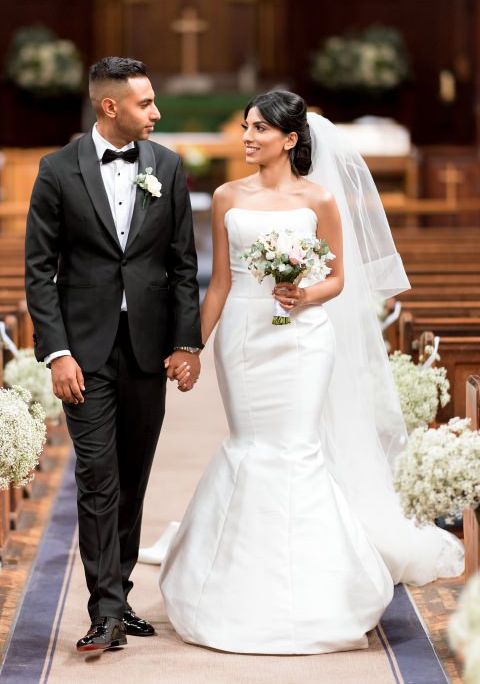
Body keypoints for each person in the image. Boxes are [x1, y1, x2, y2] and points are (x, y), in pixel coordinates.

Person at [158, 90, 464, 654]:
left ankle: (321, 590)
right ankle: (231, 582)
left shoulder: (320, 199)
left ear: (291, 139)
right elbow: (220, 283)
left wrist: (304, 293)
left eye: (260, 130)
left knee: (296, 447)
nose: (247, 137)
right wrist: (192, 347)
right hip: (244, 340)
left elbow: (339, 280)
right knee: (251, 442)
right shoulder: (227, 195)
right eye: (246, 127)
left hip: (303, 341)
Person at [24, 57, 203, 654]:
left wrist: (186, 343)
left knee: (132, 476)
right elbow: (39, 272)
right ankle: (103, 611)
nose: (156, 112)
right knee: (97, 474)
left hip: (149, 348)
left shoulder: (168, 167)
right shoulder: (56, 171)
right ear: (110, 107)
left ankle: (118, 594)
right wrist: (57, 353)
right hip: (86, 351)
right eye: (145, 103)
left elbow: (182, 267)